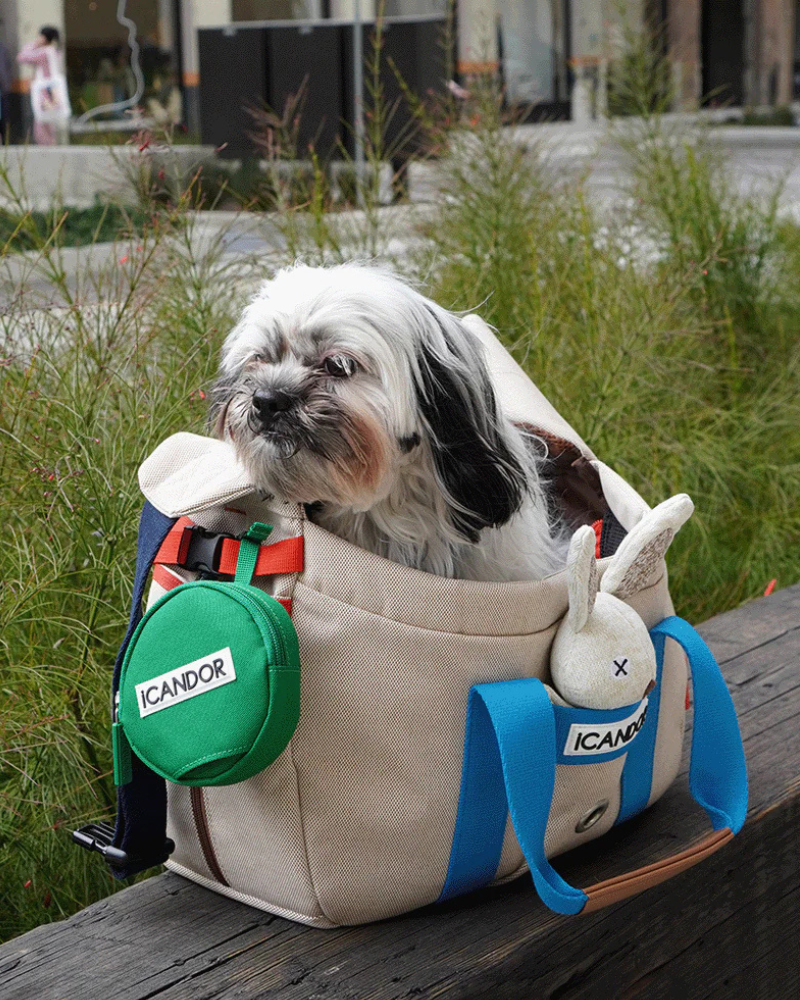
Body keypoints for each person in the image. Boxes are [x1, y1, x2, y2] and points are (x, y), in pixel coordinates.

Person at [16, 26, 69, 145]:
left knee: (42, 124)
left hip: (45, 93)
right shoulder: (55, 51)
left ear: (44, 38)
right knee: (49, 124)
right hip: (54, 92)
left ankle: (47, 152)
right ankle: (52, 147)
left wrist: (34, 44)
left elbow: (21, 57)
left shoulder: (44, 52)